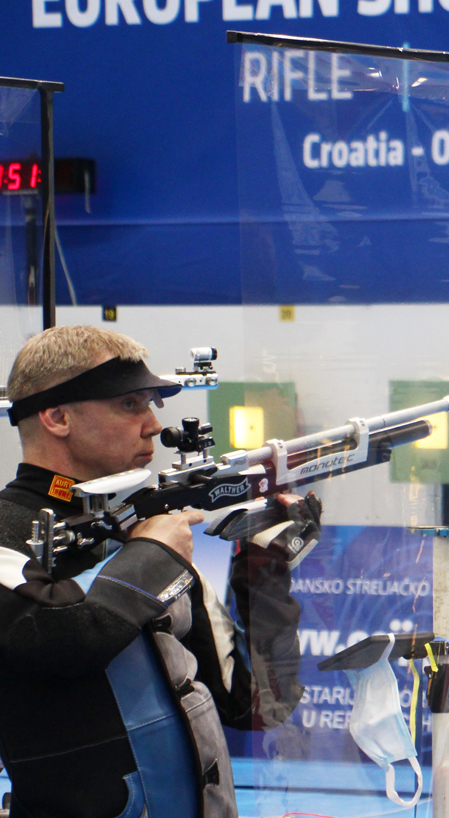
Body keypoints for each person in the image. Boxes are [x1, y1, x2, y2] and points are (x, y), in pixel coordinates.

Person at [0, 326, 311, 818]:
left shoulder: (141, 530)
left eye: (152, 405)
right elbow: (60, 640)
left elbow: (251, 704)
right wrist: (150, 555)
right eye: (129, 404)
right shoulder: (11, 529)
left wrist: (264, 567)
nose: (152, 426)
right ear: (57, 417)